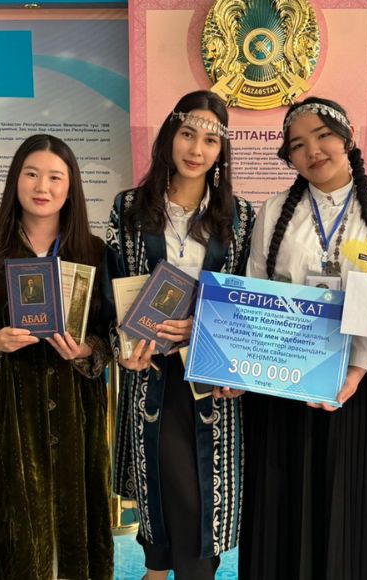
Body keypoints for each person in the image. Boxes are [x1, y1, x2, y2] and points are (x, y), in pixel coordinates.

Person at [241, 96, 367, 579]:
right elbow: (254, 290)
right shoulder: (274, 210)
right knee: (281, 503)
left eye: (323, 136)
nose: (313, 151)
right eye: (298, 145)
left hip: (352, 385)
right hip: (281, 382)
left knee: (346, 504)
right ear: (289, 157)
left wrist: (353, 372)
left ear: (348, 136)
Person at [102, 90, 254, 579]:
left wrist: (205, 329)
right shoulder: (129, 208)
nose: (196, 149)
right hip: (152, 374)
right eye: (188, 134)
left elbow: (247, 301)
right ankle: (160, 568)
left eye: (210, 140)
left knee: (203, 496)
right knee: (166, 491)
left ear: (221, 150)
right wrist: (121, 349)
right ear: (170, 135)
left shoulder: (241, 216)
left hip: (212, 382)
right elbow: (110, 293)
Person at [0, 134, 113, 580]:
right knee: (17, 533)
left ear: (70, 186)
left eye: (55, 177)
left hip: (76, 412)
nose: (43, 186)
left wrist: (87, 351)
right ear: (15, 179)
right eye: (32, 174)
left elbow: (110, 333)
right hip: (9, 412)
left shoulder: (94, 252)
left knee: (77, 530)